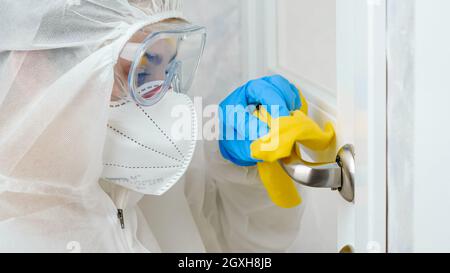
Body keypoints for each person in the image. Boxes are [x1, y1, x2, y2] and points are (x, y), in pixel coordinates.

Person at [0, 0, 305, 252]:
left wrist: (240, 168)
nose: (162, 102)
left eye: (167, 69)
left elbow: (232, 247)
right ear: (31, 66)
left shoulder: (140, 180)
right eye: (141, 73)